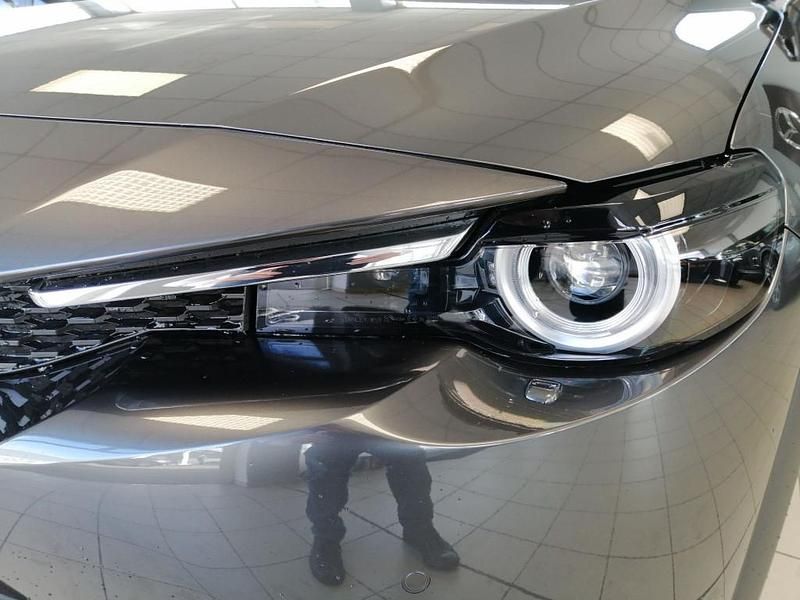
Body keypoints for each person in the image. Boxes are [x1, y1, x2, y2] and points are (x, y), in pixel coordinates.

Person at [304, 432, 460, 586]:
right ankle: (326, 537)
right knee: (324, 461)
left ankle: (419, 529)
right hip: (337, 426)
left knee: (409, 457)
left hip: (386, 423)